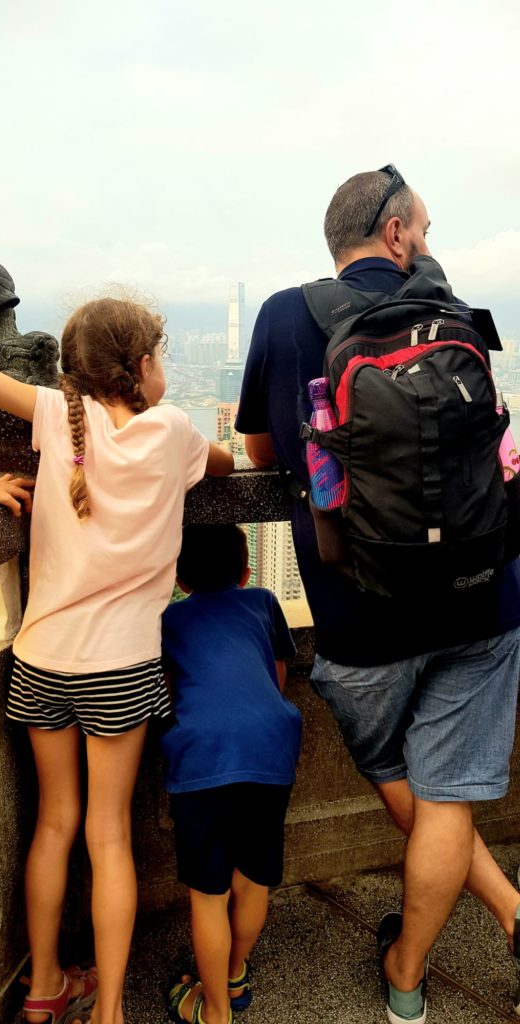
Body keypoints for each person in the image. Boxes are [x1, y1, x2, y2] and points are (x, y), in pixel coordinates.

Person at [235, 165, 520, 1023]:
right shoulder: (452, 313)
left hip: (361, 617)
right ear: (395, 233)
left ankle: (497, 918)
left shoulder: (284, 315)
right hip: (482, 599)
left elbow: (260, 453)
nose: (426, 244)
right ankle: (407, 981)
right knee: (447, 796)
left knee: (407, 785)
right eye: (423, 229)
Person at [0, 297, 234, 1024]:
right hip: (121, 669)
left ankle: (45, 986)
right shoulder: (173, 429)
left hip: (42, 659)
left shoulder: (53, 414)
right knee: (109, 837)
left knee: (54, 823)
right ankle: (108, 1011)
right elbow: (227, 463)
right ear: (143, 366)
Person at [161, 524, 302, 1024]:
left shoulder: (168, 618)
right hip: (271, 749)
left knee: (209, 894)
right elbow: (277, 677)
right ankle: (235, 971)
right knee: (254, 878)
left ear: (180, 578)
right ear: (246, 571)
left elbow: (170, 690)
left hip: (203, 756)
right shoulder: (263, 601)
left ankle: (215, 1009)